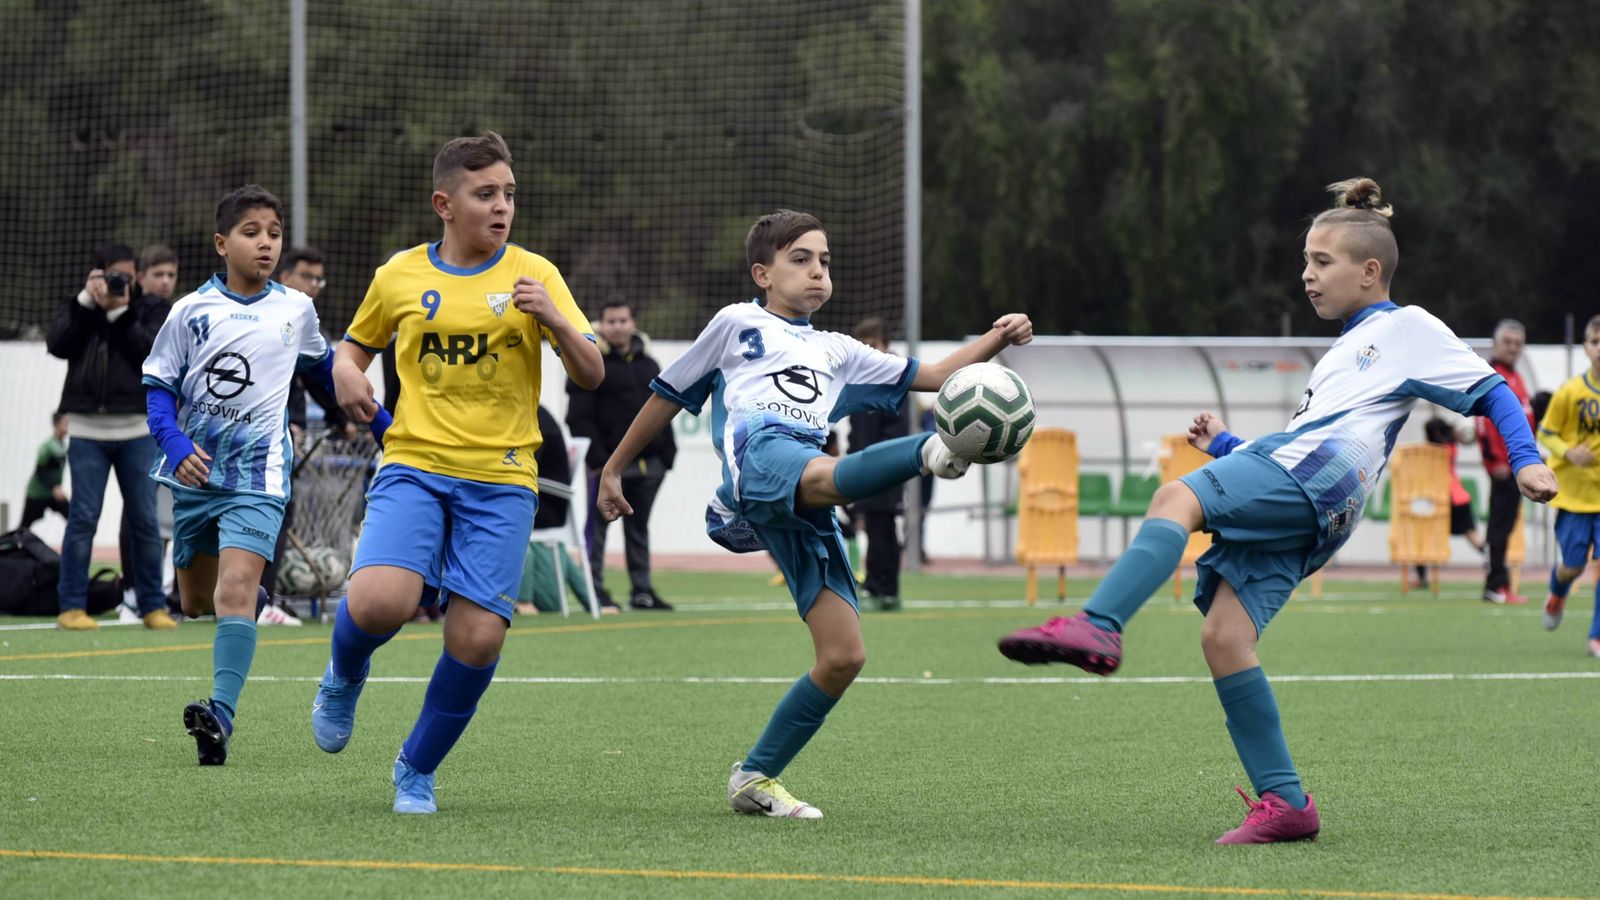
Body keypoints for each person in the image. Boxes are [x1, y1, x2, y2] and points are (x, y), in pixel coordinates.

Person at [997, 178, 1558, 844]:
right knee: (1225, 638)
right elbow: (1309, 435)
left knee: (1177, 494)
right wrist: (1227, 445)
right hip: (1318, 496)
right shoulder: (1346, 350)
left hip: (1311, 483)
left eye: (1323, 262)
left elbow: (1493, 390)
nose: (1308, 276)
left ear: (1370, 271)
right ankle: (1287, 801)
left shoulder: (1406, 327)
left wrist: (1524, 458)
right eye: (1306, 262)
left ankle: (1099, 624)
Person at [596, 209, 1032, 819]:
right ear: (763, 273)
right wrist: (614, 467)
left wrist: (998, 339)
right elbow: (667, 395)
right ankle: (929, 453)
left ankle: (754, 776)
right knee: (824, 473)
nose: (817, 272)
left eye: (824, 261)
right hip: (762, 453)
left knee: (844, 656)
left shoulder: (840, 350)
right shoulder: (735, 324)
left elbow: (935, 375)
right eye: (800, 259)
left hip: (803, 486)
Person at [310, 131, 603, 815]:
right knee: (382, 600)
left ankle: (415, 768)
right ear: (445, 203)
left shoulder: (536, 274)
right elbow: (349, 354)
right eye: (485, 195)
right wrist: (348, 378)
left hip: (502, 479)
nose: (502, 207)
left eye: (508, 194)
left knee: (476, 638)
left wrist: (554, 317)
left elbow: (590, 372)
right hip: (414, 463)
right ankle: (343, 672)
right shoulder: (400, 276)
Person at [142, 185, 378, 765]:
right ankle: (247, 601)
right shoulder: (189, 311)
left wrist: (385, 423)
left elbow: (328, 373)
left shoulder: (295, 309)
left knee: (234, 591)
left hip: (259, 476)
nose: (265, 243)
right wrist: (174, 444)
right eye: (252, 232)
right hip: (195, 477)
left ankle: (220, 714)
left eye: (273, 232)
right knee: (197, 601)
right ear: (223, 244)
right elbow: (157, 389)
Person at [46, 242, 175, 631]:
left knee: (145, 520)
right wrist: (86, 300)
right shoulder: (81, 309)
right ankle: (71, 605)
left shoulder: (148, 310)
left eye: (127, 274)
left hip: (137, 428)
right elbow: (57, 344)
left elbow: (150, 354)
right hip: (86, 429)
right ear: (96, 275)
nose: (121, 281)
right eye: (111, 275)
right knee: (82, 518)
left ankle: (152, 605)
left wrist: (119, 312)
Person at [566, 298, 676, 611]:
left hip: (651, 465)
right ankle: (594, 591)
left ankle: (642, 591)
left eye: (622, 320)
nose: (617, 327)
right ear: (600, 326)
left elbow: (666, 408)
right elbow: (579, 417)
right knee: (597, 531)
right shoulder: (589, 361)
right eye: (610, 321)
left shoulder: (649, 364)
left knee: (638, 528)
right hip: (608, 467)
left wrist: (667, 454)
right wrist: (601, 462)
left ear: (633, 323)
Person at [1535, 316, 1600, 657]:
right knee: (1573, 565)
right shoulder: (1571, 391)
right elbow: (1545, 433)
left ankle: (1596, 637)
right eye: (1595, 341)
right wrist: (1568, 452)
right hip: (1575, 496)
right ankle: (1557, 592)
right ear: (1587, 348)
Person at [847, 317, 909, 610]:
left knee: (882, 527)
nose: (868, 351)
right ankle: (879, 586)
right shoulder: (861, 382)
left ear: (886, 345)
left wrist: (878, 463)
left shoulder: (893, 380)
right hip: (864, 467)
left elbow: (893, 430)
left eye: (872, 345)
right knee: (875, 527)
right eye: (863, 346)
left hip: (885, 468)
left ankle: (883, 589)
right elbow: (855, 431)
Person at [1476, 319, 1534, 604]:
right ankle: (1495, 586)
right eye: (1507, 342)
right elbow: (1482, 424)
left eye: (1517, 343)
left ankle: (1500, 585)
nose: (1512, 348)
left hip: (1517, 468)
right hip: (1503, 468)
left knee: (1506, 527)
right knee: (1498, 528)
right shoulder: (1491, 376)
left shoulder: (1517, 378)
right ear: (1495, 344)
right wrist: (1492, 462)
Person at [1412, 416, 1485, 588]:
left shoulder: (1434, 451)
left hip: (1440, 498)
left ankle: (1422, 578)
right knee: (1472, 534)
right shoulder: (1451, 446)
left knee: (1422, 537)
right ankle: (1493, 562)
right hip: (1458, 497)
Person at [19, 413, 70, 530]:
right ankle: (8, 546)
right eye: (65, 423)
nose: (68, 426)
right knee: (23, 529)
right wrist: (53, 487)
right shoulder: (47, 446)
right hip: (37, 494)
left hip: (53, 494)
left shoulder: (62, 445)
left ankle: (74, 547)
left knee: (73, 517)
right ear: (56, 425)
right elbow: (39, 471)